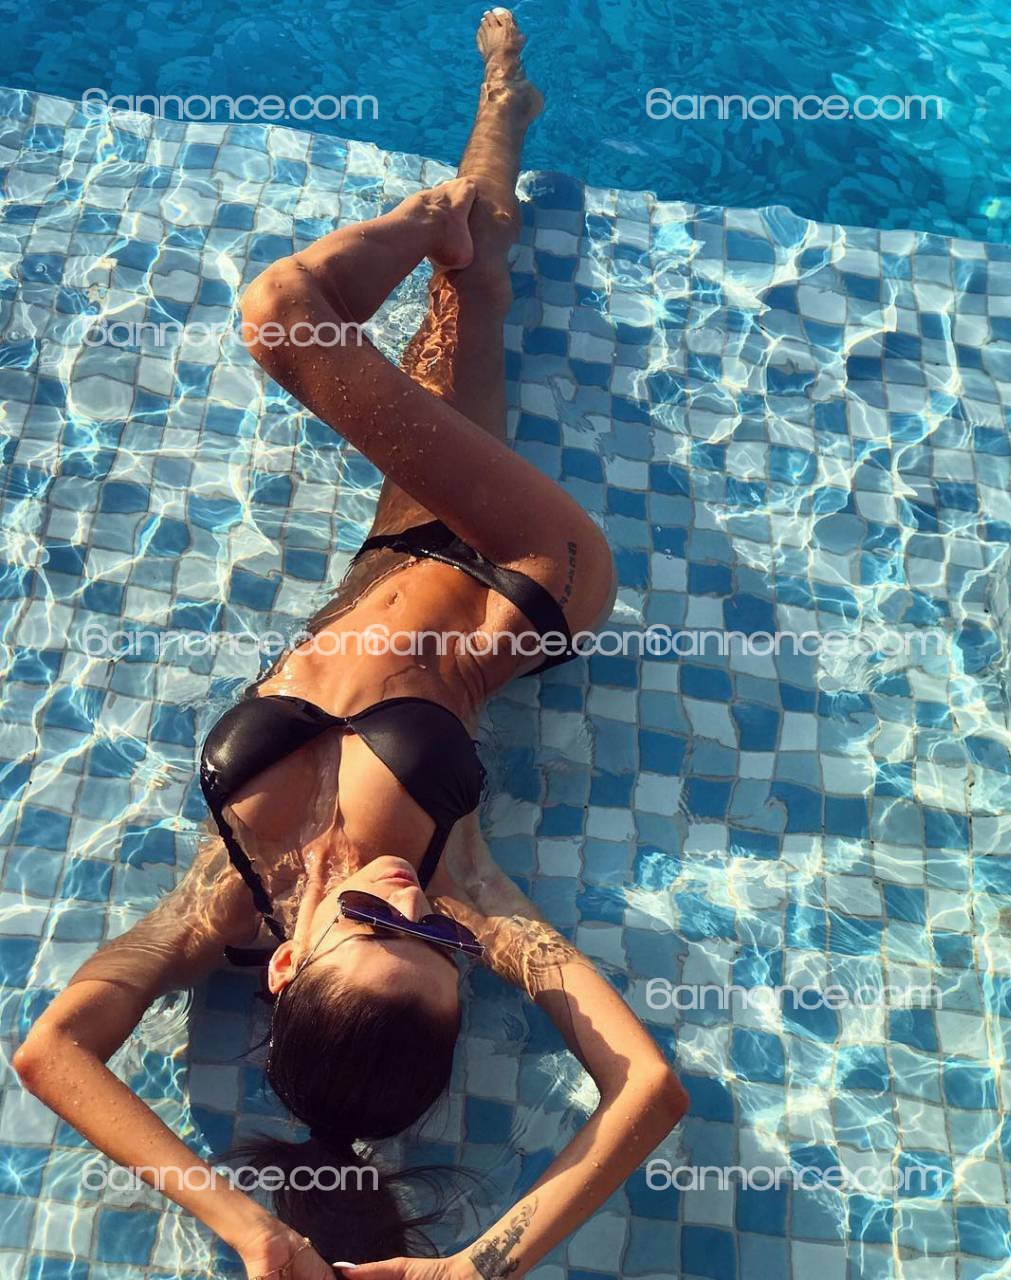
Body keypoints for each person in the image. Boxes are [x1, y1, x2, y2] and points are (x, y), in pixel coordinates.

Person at [15, 10, 688, 1277]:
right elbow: (646, 1087)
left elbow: (52, 1050)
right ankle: (454, 189)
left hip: (395, 548)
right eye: (443, 949)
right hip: (532, 577)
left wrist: (252, 1227)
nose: (418, 906)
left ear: (283, 964)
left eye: (382, 928)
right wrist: (477, 1266)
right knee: (290, 317)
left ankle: (496, 124)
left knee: (456, 289)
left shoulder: (215, 903)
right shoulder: (471, 891)